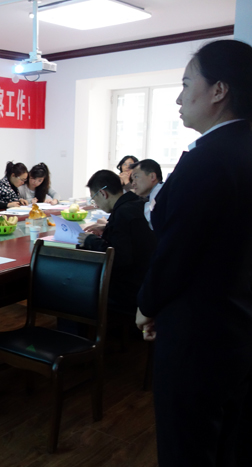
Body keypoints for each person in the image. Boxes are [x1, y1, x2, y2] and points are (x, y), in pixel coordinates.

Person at [135, 40, 252, 467]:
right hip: (239, 326)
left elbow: (177, 250)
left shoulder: (207, 159)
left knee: (187, 446)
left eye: (186, 84)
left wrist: (147, 305)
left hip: (198, 333)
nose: (179, 97)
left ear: (219, 90)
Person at [77, 170, 157, 318]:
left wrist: (91, 240)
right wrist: (108, 227)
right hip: (148, 281)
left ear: (103, 193)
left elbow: (119, 258)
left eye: (94, 199)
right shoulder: (138, 203)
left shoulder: (122, 214)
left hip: (129, 288)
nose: (96, 205)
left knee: (76, 286)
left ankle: (85, 331)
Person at [129, 159, 163, 229]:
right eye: (132, 179)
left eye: (136, 177)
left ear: (152, 176)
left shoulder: (160, 197)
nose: (133, 184)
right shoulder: (157, 194)